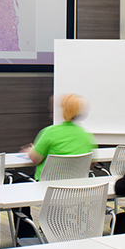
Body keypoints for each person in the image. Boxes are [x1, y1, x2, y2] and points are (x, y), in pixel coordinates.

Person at [15, 93, 95, 238]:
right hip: (76, 191)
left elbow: (35, 158)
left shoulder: (50, 132)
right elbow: (91, 161)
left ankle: (27, 235)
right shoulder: (85, 135)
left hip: (47, 190)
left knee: (16, 186)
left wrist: (31, 150)